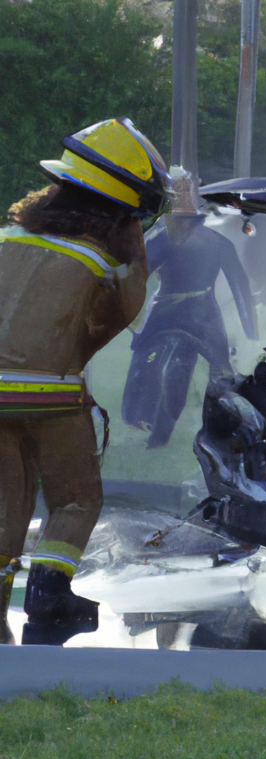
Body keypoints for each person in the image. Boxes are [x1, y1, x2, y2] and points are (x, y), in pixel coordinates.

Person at [0, 117, 168, 645]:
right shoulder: (99, 258)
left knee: (5, 500)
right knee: (74, 500)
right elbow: (124, 320)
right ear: (119, 210)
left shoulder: (6, 236)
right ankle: (48, 591)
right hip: (49, 396)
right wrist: (135, 252)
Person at [122, 169, 256, 447]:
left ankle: (165, 432)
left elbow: (134, 280)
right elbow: (135, 279)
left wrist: (133, 324)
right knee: (192, 371)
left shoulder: (165, 238)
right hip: (194, 314)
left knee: (191, 371)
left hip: (178, 313)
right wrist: (250, 332)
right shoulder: (200, 241)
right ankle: (158, 432)